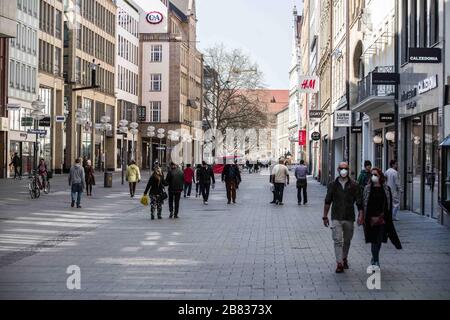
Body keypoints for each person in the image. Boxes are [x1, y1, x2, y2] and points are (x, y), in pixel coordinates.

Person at [323, 162, 363, 273]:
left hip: (349, 217)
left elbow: (359, 201)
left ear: (348, 170)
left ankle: (344, 257)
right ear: (338, 169)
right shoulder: (332, 185)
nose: (343, 170)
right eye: (342, 168)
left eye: (345, 168)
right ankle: (339, 262)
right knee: (337, 240)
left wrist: (361, 214)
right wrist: (324, 216)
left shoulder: (354, 184)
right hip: (336, 216)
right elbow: (327, 201)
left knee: (347, 240)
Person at [361, 168, 402, 268]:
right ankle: (376, 260)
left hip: (382, 218)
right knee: (373, 240)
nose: (373, 177)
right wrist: (362, 216)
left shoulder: (386, 188)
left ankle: (375, 258)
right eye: (372, 175)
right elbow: (364, 203)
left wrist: (387, 216)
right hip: (370, 219)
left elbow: (389, 203)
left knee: (378, 240)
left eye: (375, 175)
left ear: (380, 176)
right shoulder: (367, 188)